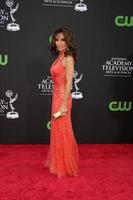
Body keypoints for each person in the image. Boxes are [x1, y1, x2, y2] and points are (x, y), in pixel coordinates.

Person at [44, 26, 79, 177]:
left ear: (68, 41)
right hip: (56, 97)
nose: (59, 43)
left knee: (64, 131)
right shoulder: (59, 56)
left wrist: (64, 104)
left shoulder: (68, 58)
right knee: (57, 131)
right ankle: (59, 163)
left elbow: (69, 84)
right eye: (57, 39)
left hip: (63, 99)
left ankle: (66, 167)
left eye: (62, 40)